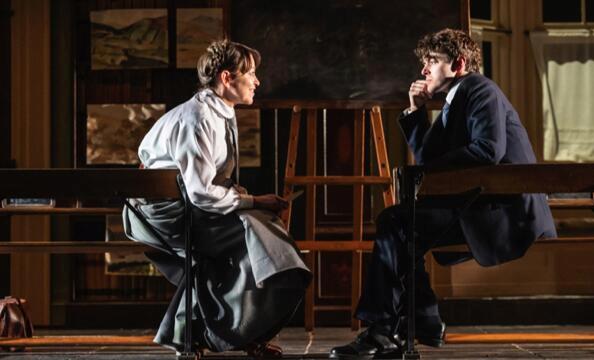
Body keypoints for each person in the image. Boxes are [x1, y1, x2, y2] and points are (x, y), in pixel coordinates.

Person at [329, 28, 557, 359]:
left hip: (500, 208)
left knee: (396, 224)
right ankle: (419, 322)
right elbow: (431, 159)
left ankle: (396, 328)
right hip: (478, 202)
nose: (423, 70)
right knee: (399, 226)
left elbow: (488, 149)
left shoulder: (478, 89)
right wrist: (416, 112)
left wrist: (425, 172)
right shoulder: (456, 98)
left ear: (459, 64)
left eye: (432, 61)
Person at [122, 40, 311, 358]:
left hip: (188, 207)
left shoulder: (219, 110)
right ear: (227, 78)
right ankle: (212, 334)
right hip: (163, 214)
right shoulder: (198, 118)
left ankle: (229, 333)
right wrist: (252, 202)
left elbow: (206, 185)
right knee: (258, 241)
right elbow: (200, 192)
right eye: (250, 74)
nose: (257, 81)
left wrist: (251, 201)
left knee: (261, 232)